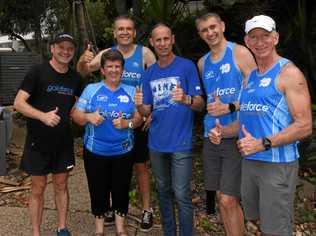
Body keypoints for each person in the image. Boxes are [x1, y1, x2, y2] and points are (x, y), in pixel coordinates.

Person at [210, 15, 312, 235]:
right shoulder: (250, 78)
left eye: (265, 36)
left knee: (276, 228)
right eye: (254, 37)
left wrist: (263, 143)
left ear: (275, 38)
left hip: (277, 164)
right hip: (250, 161)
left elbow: (304, 126)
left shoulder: (289, 73)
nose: (259, 42)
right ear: (247, 42)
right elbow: (246, 121)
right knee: (257, 220)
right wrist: (221, 131)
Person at [77, 15, 156, 231]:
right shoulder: (106, 54)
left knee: (139, 166)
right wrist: (83, 60)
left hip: (135, 116)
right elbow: (83, 71)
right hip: (108, 117)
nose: (124, 32)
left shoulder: (145, 53)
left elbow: (158, 80)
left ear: (134, 32)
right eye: (120, 29)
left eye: (128, 29)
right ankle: (110, 208)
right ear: (114, 32)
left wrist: (150, 112)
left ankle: (147, 209)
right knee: (111, 166)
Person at [135, 23, 204, 236]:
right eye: (158, 40)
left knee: (182, 193)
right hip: (156, 143)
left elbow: (201, 104)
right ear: (152, 43)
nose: (163, 43)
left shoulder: (187, 67)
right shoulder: (149, 74)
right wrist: (138, 104)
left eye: (166, 39)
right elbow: (147, 111)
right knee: (163, 192)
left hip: (181, 141)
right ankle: (168, 232)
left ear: (172, 39)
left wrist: (186, 99)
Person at [14, 33, 82, 236]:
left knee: (61, 185)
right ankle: (36, 232)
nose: (65, 51)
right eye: (61, 47)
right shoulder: (37, 71)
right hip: (38, 142)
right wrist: (42, 116)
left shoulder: (75, 79)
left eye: (70, 48)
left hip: (63, 142)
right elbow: (18, 103)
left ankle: (62, 227)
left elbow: (80, 105)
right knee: (38, 187)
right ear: (52, 48)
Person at [195, 12, 256, 236]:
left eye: (213, 27)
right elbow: (210, 99)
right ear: (200, 34)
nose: (210, 33)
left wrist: (231, 107)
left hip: (237, 134)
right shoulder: (202, 63)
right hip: (212, 136)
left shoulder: (239, 53)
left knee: (229, 198)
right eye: (204, 30)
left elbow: (257, 94)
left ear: (222, 25)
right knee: (220, 199)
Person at [72, 49, 142, 236]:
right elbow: (76, 116)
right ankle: (99, 230)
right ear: (102, 70)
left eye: (117, 67)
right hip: (96, 151)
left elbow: (139, 119)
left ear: (122, 70)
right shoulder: (91, 89)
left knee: (121, 189)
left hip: (123, 151)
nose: (113, 70)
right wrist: (88, 116)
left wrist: (127, 123)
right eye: (109, 67)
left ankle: (120, 229)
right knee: (98, 191)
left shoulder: (131, 90)